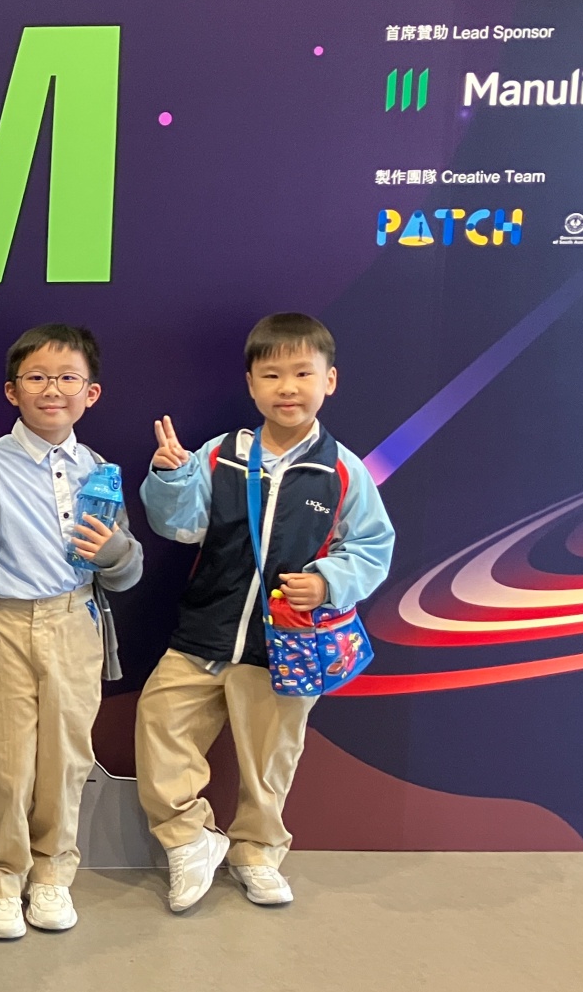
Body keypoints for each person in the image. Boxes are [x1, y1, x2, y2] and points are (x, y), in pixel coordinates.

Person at [136, 313, 394, 912]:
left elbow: (373, 547)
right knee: (159, 727)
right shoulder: (221, 455)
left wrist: (328, 582)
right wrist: (170, 477)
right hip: (204, 633)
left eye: (303, 373)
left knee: (270, 760)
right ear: (251, 384)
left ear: (330, 381)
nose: (287, 388)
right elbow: (180, 526)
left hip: (287, 647)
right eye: (272, 375)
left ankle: (256, 852)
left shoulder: (343, 470)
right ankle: (188, 840)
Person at [0, 325, 144, 939]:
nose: (52, 389)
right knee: (3, 765)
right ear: (12, 390)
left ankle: (52, 874)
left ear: (91, 393)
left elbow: (127, 571)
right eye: (37, 377)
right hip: (0, 623)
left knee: (66, 760)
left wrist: (115, 553)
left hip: (74, 621)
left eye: (68, 378)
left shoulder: (100, 470)